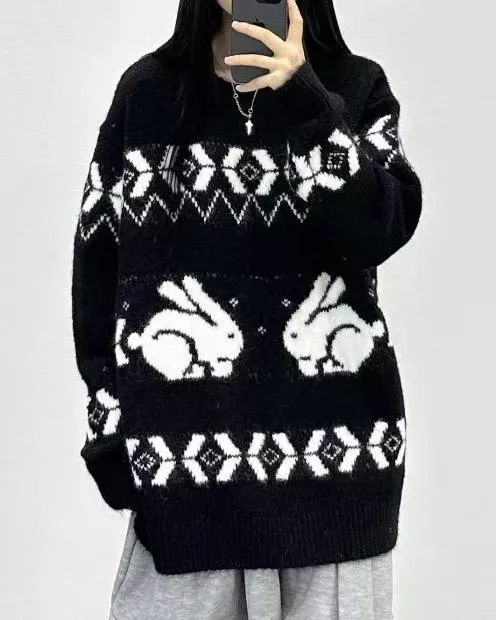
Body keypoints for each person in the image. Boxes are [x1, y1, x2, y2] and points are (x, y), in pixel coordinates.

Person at [71, 0, 423, 618]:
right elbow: (98, 272)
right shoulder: (147, 95)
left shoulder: (354, 88)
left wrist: (304, 99)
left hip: (338, 480)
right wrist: (109, 436)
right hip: (184, 484)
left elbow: (379, 230)